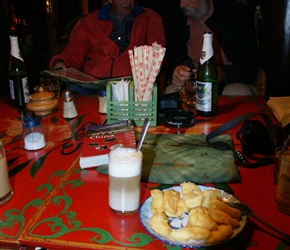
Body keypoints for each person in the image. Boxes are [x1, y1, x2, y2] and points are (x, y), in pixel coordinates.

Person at [49, 0, 166, 95]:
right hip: (94, 82)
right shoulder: (89, 22)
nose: (128, 2)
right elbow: (75, 50)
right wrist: (61, 61)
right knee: (73, 90)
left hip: (130, 84)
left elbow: (157, 53)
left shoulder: (150, 18)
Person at [163, 0, 259, 95]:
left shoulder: (234, 13)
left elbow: (250, 68)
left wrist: (223, 74)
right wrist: (178, 72)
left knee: (237, 94)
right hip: (193, 80)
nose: (182, 4)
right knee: (171, 94)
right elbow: (171, 61)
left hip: (232, 80)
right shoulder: (174, 16)